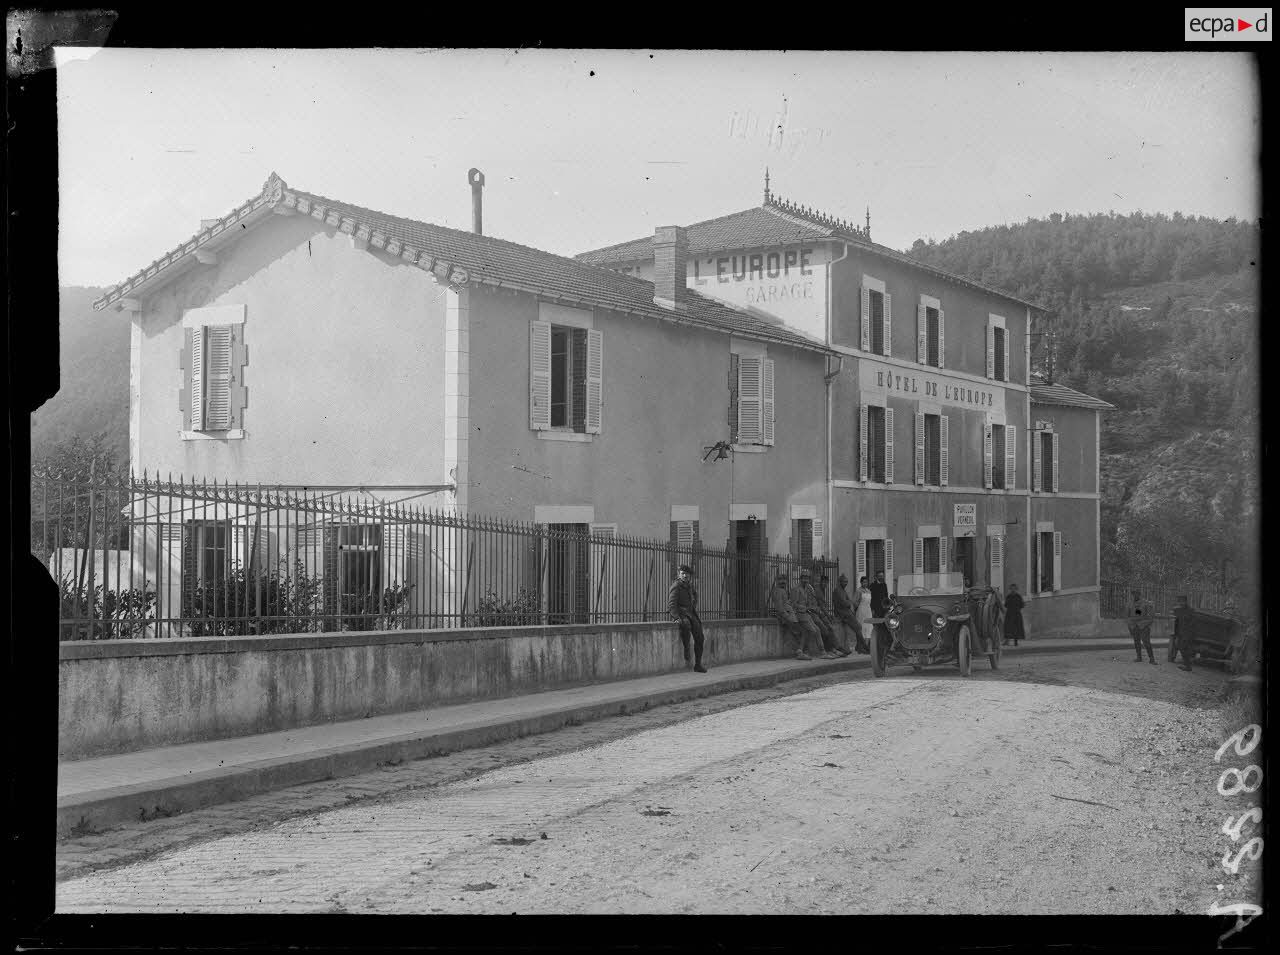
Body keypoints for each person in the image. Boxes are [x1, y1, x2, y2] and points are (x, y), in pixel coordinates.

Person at [668, 564, 708, 673]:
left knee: (700, 637)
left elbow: (695, 595)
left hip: (690, 613)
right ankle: (686, 648)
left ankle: (698, 665)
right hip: (681, 614)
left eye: (687, 574)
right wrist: (676, 617)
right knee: (685, 625)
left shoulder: (689, 586)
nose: (685, 576)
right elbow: (671, 604)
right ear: (679, 574)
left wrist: (693, 605)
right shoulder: (676, 586)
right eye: (683, 573)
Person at [789, 571, 833, 659]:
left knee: (817, 630)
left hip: (806, 614)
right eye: (804, 578)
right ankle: (803, 651)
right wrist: (805, 608)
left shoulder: (807, 588)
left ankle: (821, 652)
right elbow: (793, 604)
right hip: (799, 614)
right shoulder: (796, 589)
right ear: (800, 578)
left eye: (807, 578)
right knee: (812, 630)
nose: (806, 580)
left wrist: (810, 606)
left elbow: (809, 601)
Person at [770, 573, 813, 660]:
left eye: (784, 580)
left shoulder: (782, 590)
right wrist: (788, 617)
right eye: (781, 580)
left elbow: (785, 603)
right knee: (802, 632)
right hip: (788, 617)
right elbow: (780, 607)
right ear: (777, 581)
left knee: (799, 633)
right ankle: (800, 652)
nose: (783, 582)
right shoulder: (778, 591)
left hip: (790, 616)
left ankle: (801, 651)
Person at [810, 573, 850, 657]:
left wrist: (828, 615)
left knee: (829, 629)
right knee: (826, 629)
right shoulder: (817, 591)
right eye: (823, 582)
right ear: (820, 582)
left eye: (826, 583)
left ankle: (835, 648)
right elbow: (821, 606)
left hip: (820, 613)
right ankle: (833, 649)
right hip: (815, 614)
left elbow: (822, 606)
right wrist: (828, 616)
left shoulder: (821, 590)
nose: (825, 584)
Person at [831, 574, 866, 654]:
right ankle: (863, 646)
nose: (846, 583)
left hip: (846, 612)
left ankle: (860, 646)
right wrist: (848, 603)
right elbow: (845, 603)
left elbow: (848, 601)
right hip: (843, 613)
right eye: (844, 582)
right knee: (858, 627)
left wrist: (848, 603)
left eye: (846, 582)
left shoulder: (842, 590)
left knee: (857, 628)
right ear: (840, 582)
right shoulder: (838, 590)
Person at [1128, 588, 1156, 665]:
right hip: (1134, 626)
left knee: (1146, 643)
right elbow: (1128, 616)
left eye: (1136, 594)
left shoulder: (1146, 603)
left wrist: (1144, 624)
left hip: (1144, 626)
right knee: (1136, 642)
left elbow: (1151, 617)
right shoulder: (1130, 604)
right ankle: (1139, 657)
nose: (1135, 595)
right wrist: (1130, 626)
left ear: (1140, 594)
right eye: (1133, 594)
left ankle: (1152, 659)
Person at [1171, 595, 1194, 671]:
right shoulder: (1178, 610)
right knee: (1180, 647)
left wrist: (1188, 634)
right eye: (1179, 602)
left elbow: (1192, 624)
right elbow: (1176, 622)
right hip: (1180, 632)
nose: (1181, 603)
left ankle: (1188, 666)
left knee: (1183, 648)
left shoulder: (1190, 610)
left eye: (1182, 601)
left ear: (1186, 601)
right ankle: (1187, 665)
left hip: (1187, 633)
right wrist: (1176, 634)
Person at [854, 575, 875, 653]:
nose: (865, 583)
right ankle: (861, 647)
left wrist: (871, 610)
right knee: (862, 628)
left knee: (869, 628)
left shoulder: (869, 591)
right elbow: (855, 602)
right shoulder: (858, 591)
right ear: (861, 582)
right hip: (861, 611)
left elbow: (870, 602)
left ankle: (866, 646)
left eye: (866, 582)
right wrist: (856, 610)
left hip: (868, 611)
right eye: (863, 582)